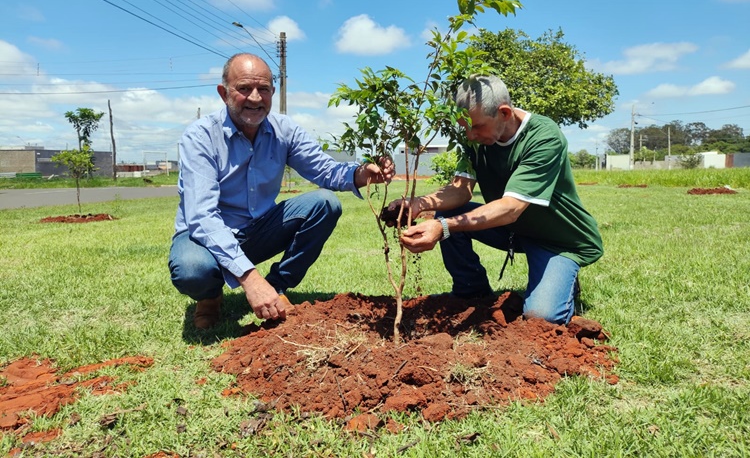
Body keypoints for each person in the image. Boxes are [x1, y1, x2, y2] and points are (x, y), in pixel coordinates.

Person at [169, 53, 394, 329]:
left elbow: (324, 170)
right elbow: (202, 217)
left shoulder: (284, 130)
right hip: (204, 237)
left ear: (272, 92)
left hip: (257, 230)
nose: (255, 98)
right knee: (192, 269)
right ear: (223, 93)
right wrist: (251, 278)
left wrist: (360, 174)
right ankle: (210, 297)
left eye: (263, 89)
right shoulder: (200, 137)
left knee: (325, 203)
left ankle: (276, 287)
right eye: (244, 89)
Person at [389, 75, 602, 325]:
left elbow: (511, 208)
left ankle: (565, 277)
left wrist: (444, 227)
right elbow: (460, 190)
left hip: (556, 239)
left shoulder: (544, 137)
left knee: (541, 317)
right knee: (446, 216)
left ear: (504, 112)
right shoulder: (476, 141)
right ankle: (472, 292)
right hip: (513, 228)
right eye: (464, 127)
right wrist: (419, 203)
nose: (469, 135)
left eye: (476, 126)